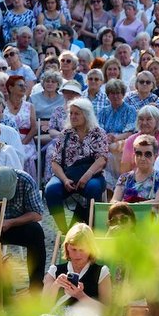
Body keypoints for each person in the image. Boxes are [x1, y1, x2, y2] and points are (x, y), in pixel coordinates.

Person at [45, 98, 108, 233]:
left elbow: (102, 159)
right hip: (68, 174)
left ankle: (90, 228)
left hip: (92, 175)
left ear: (86, 115)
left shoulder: (98, 133)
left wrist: (87, 176)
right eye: (71, 113)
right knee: (51, 190)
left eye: (77, 113)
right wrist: (64, 180)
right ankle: (64, 230)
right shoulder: (65, 134)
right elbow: (55, 162)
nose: (73, 116)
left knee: (93, 188)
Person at [111, 134, 159, 217]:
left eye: (148, 154)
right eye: (138, 154)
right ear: (134, 156)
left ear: (155, 157)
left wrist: (129, 206)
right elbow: (114, 201)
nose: (142, 158)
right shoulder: (124, 178)